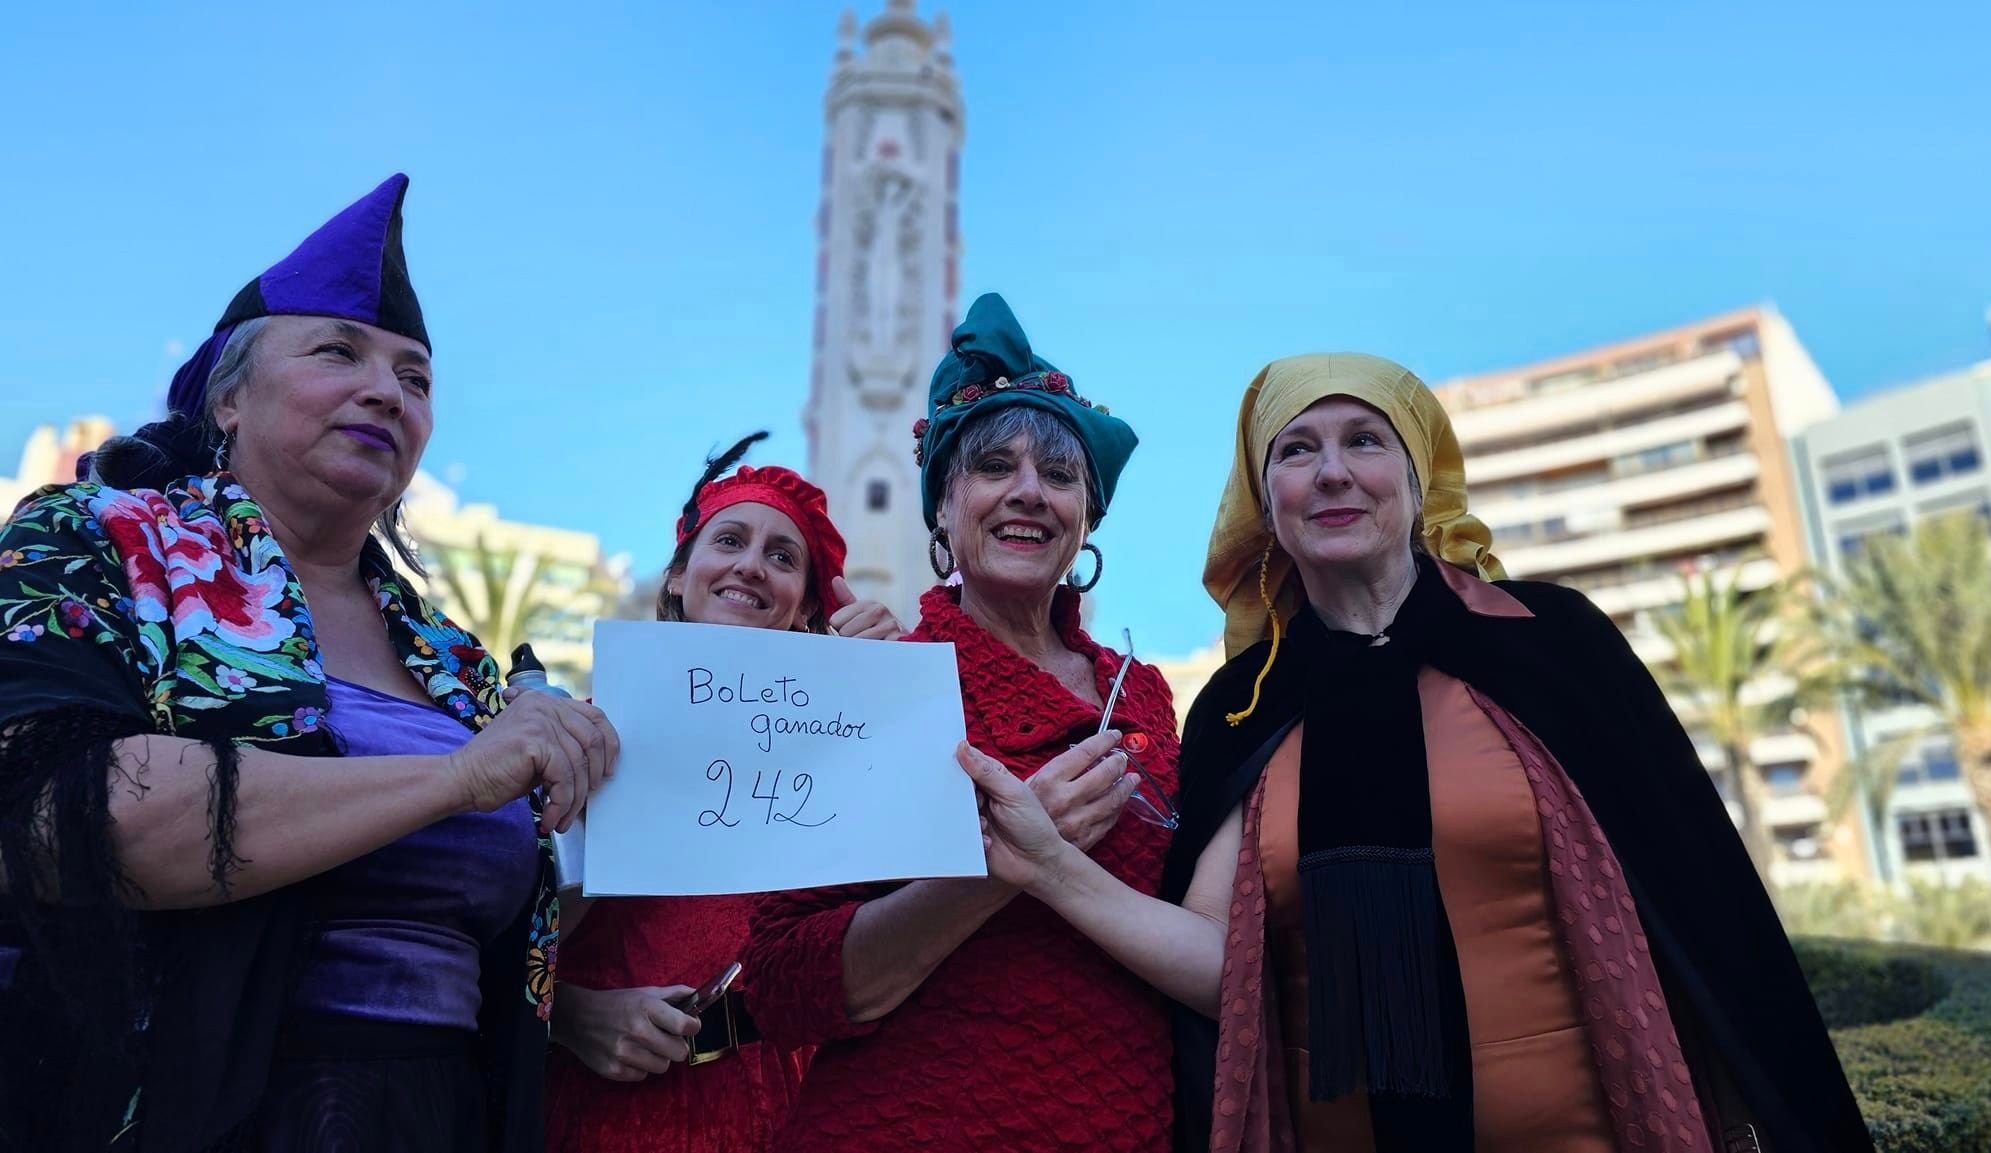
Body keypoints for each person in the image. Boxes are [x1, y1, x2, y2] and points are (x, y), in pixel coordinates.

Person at [960, 353, 1873, 1152]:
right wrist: (1045, 866)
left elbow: (1706, 906)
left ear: (1418, 475)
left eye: (1365, 440)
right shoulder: (1242, 708)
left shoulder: (1551, 644)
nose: (1331, 474)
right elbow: (1219, 964)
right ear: (1262, 501)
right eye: (1296, 450)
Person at [0, 175, 619, 1153]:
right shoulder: (97, 540)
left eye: (415, 378)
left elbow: (504, 921)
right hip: (182, 1112)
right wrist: (455, 778)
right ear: (229, 396)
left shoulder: (455, 660)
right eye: (340, 351)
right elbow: (60, 815)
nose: (387, 389)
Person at [745, 293, 1181, 1151]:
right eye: (993, 467)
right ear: (942, 506)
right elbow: (783, 981)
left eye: (1059, 476)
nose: (1028, 492)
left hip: (1128, 1118)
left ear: (1086, 519)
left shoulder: (1145, 695)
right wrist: (1006, 865)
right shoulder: (878, 681)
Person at [545, 435, 903, 1153]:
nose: (751, 565)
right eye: (731, 540)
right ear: (678, 575)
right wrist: (570, 1014)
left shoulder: (840, 751)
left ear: (807, 606)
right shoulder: (587, 730)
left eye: (782, 556)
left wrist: (892, 698)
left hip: (802, 1111)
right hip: (609, 1112)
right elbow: (489, 932)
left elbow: (902, 927)